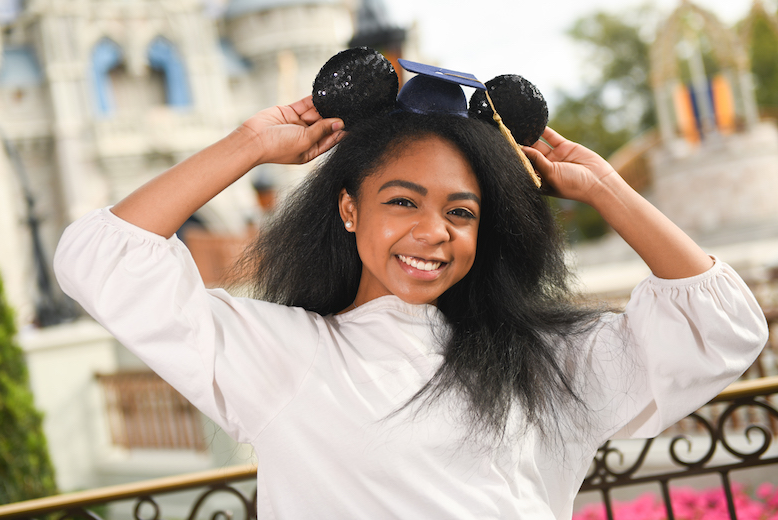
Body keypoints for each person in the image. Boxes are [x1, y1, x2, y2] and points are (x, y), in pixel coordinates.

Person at [54, 49, 768, 519]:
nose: (433, 232)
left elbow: (722, 328)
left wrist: (606, 186)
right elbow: (101, 257)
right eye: (402, 201)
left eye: (462, 212)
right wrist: (251, 145)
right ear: (348, 208)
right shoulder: (283, 356)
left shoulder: (546, 361)